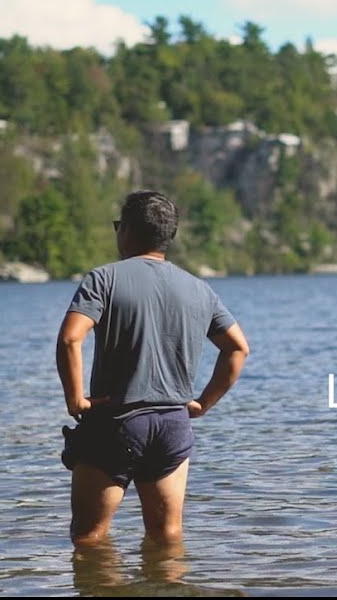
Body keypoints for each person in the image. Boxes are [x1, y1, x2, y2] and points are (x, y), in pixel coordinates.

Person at [56, 190, 250, 547]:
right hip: (172, 424)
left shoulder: (103, 280)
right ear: (168, 236)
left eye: (118, 226)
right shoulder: (198, 289)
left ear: (127, 230)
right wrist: (203, 404)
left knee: (88, 539)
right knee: (167, 538)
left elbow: (71, 339)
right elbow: (238, 348)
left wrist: (76, 400)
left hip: (116, 422)